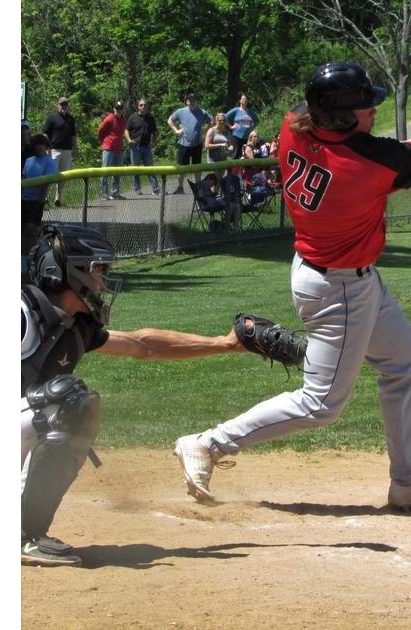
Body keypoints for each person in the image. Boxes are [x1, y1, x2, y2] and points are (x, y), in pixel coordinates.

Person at [173, 62, 411, 514]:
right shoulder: (365, 164)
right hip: (340, 289)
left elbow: (404, 151)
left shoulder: (294, 126)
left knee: (406, 360)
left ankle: (407, 482)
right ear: (340, 117)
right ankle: (208, 444)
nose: (373, 112)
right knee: (321, 403)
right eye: (365, 107)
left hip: (339, 275)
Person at [21, 224, 272, 566]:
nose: (103, 282)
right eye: (99, 271)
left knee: (74, 405)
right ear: (70, 271)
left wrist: (226, 343)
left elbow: (144, 345)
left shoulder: (74, 326)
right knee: (67, 401)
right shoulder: (22, 315)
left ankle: (27, 531)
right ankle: (22, 536)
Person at [22, 134, 57, 267]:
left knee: (32, 228)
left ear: (46, 146)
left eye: (42, 144)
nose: (39, 147)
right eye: (36, 144)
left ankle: (35, 256)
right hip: (23, 199)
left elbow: (46, 183)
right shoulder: (29, 160)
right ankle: (24, 257)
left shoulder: (49, 162)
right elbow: (24, 178)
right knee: (23, 229)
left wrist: (40, 201)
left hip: (36, 201)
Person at [166, 91, 211, 194]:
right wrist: (176, 130)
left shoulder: (202, 112)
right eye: (189, 100)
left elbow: (211, 121)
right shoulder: (181, 111)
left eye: (193, 100)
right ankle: (180, 187)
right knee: (182, 167)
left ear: (196, 101)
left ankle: (199, 187)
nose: (191, 102)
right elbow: (170, 120)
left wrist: (205, 132)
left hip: (197, 143)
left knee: (197, 167)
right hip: (184, 143)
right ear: (186, 101)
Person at [42, 96, 77, 207]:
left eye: (66, 104)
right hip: (54, 149)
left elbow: (73, 135)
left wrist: (75, 148)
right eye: (62, 104)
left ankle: (58, 199)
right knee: (51, 174)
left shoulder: (71, 119)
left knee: (63, 175)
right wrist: (47, 147)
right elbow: (45, 133)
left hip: (67, 150)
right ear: (58, 105)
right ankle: (45, 198)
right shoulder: (52, 117)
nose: (64, 107)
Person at [125, 98, 161, 195]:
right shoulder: (133, 117)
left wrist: (153, 142)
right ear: (138, 107)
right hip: (135, 147)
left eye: (145, 105)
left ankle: (155, 189)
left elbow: (155, 132)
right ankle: (137, 189)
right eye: (141, 105)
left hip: (146, 147)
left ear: (147, 106)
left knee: (150, 168)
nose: (143, 107)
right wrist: (129, 140)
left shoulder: (150, 118)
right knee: (135, 169)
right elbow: (126, 130)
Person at [97, 101, 128, 200]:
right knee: (105, 171)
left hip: (119, 148)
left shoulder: (123, 120)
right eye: (117, 108)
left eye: (120, 108)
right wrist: (102, 141)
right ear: (114, 109)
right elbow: (100, 130)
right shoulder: (109, 118)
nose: (119, 110)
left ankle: (115, 193)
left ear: (123, 110)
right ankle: (103, 193)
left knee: (117, 172)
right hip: (108, 148)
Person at [225, 93, 258, 159]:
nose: (245, 100)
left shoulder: (251, 112)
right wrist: (230, 126)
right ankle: (232, 168)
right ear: (240, 101)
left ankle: (244, 169)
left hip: (247, 138)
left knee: (246, 155)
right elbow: (224, 117)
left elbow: (256, 121)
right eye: (243, 99)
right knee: (236, 154)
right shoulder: (236, 110)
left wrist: (253, 128)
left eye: (246, 99)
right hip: (237, 136)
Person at [204, 112, 231, 178]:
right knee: (214, 180)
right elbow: (207, 146)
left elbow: (229, 144)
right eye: (220, 120)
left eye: (224, 120)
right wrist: (220, 145)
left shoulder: (227, 132)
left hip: (223, 159)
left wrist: (230, 147)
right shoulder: (211, 131)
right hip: (213, 160)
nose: (222, 122)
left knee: (219, 180)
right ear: (216, 121)